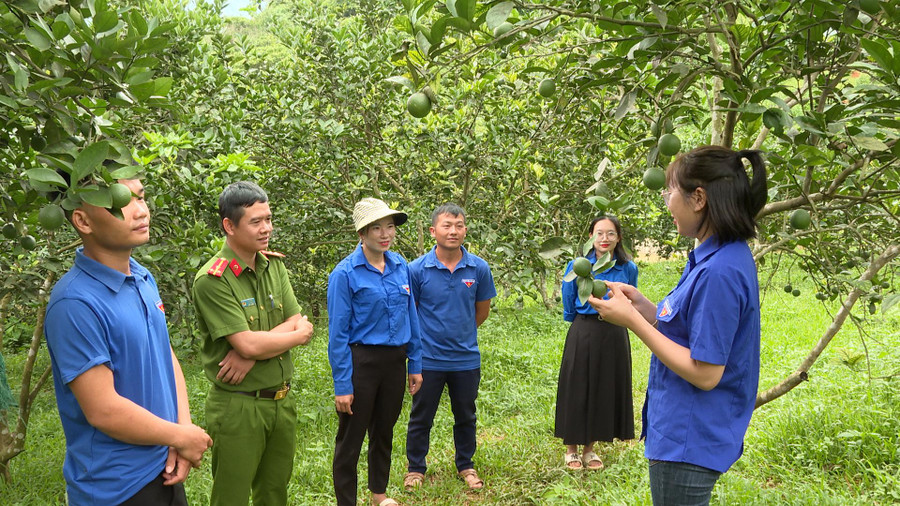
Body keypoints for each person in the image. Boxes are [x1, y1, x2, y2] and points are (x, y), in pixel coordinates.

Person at [590, 146, 766, 505]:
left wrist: (633, 324)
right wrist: (643, 308)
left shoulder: (719, 271)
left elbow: (706, 373)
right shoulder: (714, 255)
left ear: (698, 197)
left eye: (669, 192)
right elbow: (693, 329)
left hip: (690, 439)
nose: (667, 202)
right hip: (687, 432)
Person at [44, 178, 213, 505]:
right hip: (117, 487)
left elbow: (166, 354)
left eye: (141, 198)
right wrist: (180, 435)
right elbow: (103, 410)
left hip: (163, 465)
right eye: (123, 203)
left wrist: (181, 430)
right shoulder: (75, 303)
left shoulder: (141, 276)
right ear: (83, 220)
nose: (141, 211)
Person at [192, 181, 314, 505]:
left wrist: (253, 351)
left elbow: (297, 320)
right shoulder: (212, 279)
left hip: (281, 400)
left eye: (269, 219)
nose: (267, 229)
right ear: (229, 226)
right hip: (239, 406)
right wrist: (284, 338)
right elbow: (258, 339)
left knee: (274, 494)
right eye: (256, 222)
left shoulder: (274, 265)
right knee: (231, 497)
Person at [327, 197, 423, 506]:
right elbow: (338, 335)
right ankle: (347, 501)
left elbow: (412, 317)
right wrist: (343, 385)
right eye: (377, 228)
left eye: (390, 227)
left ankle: (378, 495)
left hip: (394, 362)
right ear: (362, 233)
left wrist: (415, 362)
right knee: (351, 440)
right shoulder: (344, 274)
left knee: (384, 431)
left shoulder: (400, 267)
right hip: (362, 363)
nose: (385, 234)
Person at [403, 203, 497, 490]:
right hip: (428, 360)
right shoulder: (416, 270)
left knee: (466, 415)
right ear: (433, 231)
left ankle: (466, 465)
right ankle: (415, 469)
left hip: (466, 359)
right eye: (446, 225)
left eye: (458, 225)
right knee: (421, 416)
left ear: (465, 230)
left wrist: (461, 333)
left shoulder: (478, 268)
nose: (453, 231)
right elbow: (411, 312)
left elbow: (482, 311)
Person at [555, 215, 638, 470]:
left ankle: (590, 449)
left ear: (618, 238)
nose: (605, 239)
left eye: (610, 234)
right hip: (585, 330)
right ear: (592, 236)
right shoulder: (579, 266)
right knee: (577, 386)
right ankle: (571, 450)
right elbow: (569, 300)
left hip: (614, 332)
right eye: (599, 233)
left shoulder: (627, 268)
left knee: (603, 387)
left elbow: (630, 301)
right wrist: (580, 322)